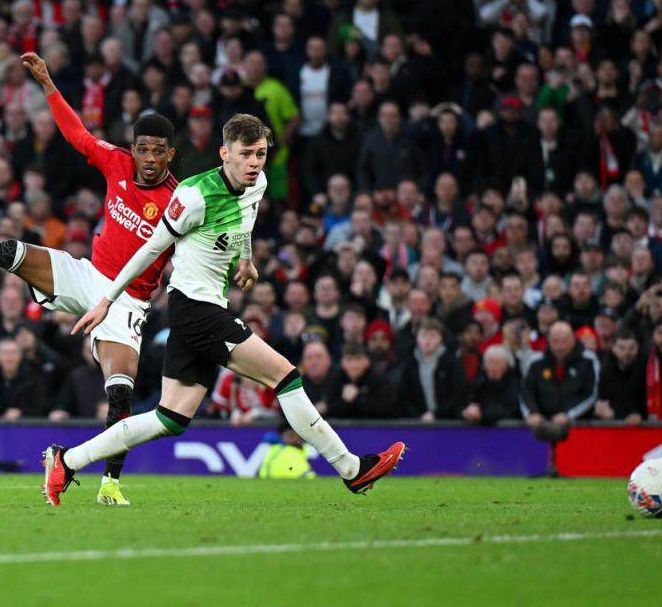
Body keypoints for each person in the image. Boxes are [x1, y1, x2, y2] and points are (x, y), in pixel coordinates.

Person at [44, 114, 405, 506]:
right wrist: (107, 300)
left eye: (261, 154)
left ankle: (68, 460)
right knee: (286, 377)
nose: (254, 162)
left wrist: (246, 261)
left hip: (205, 306)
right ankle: (352, 469)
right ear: (224, 153)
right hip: (194, 309)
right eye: (246, 154)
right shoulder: (193, 196)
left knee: (170, 418)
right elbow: (148, 248)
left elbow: (245, 221)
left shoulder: (258, 183)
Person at [0, 52, 180, 506]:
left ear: (170, 154)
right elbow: (76, 133)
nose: (149, 158)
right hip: (87, 276)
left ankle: (109, 483)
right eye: (143, 148)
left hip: (128, 304)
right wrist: (46, 83)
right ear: (134, 147)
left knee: (120, 393)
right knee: (10, 250)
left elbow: (207, 240)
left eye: (159, 150)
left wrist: (239, 260)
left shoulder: (179, 200)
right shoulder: (117, 163)